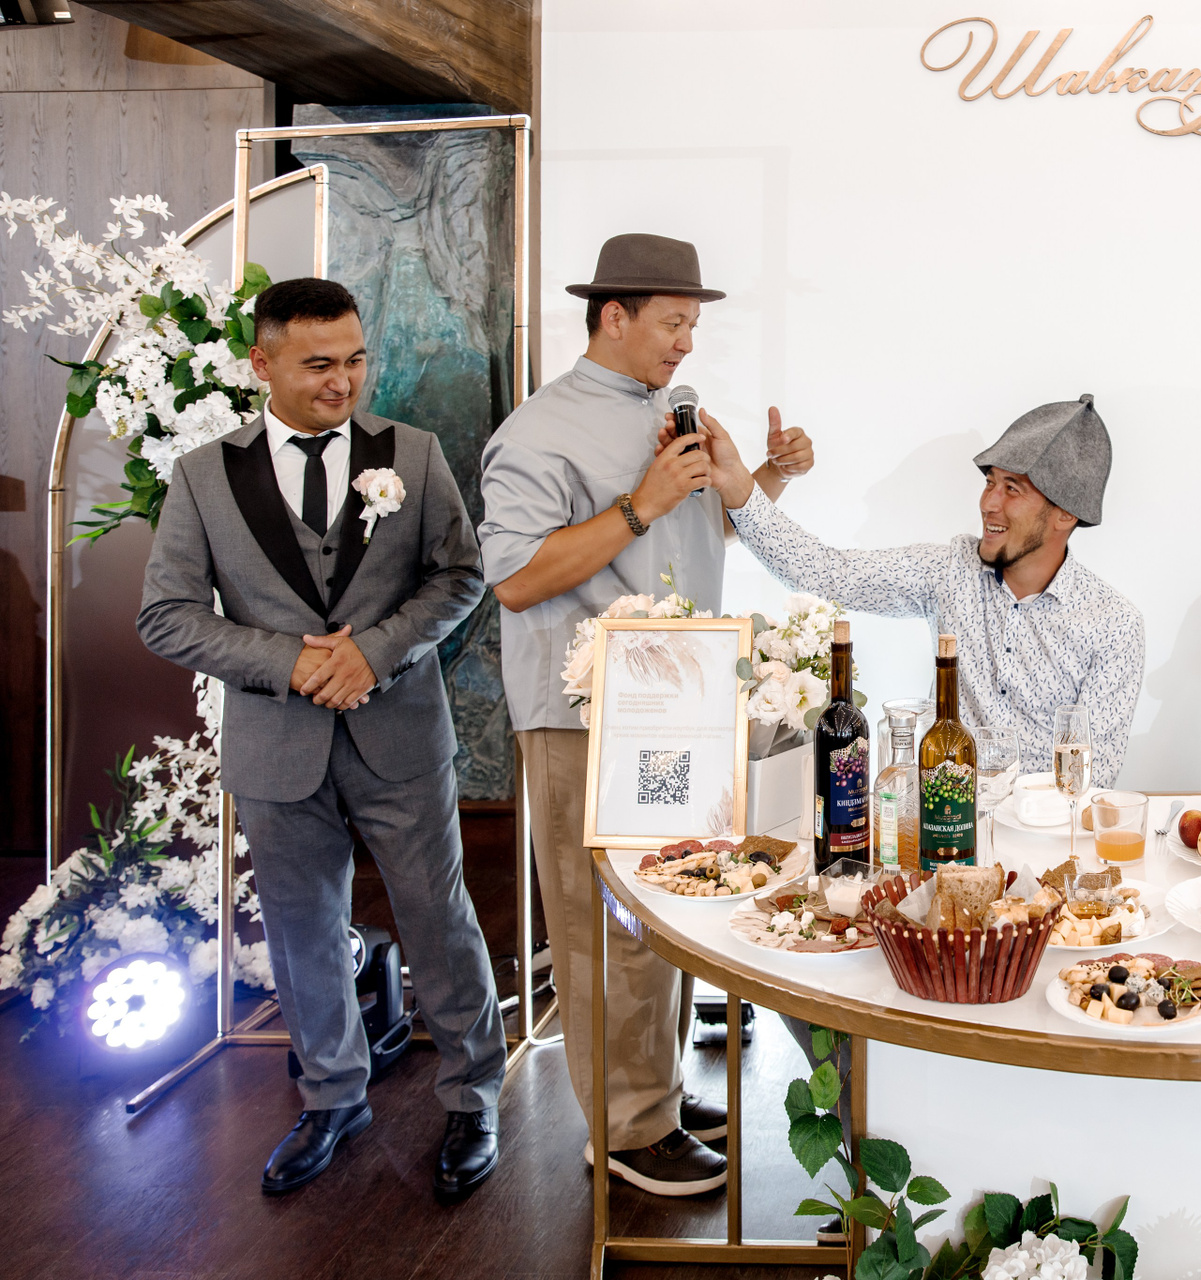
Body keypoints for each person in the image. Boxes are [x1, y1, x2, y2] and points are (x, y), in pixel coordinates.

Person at [136, 278, 506, 1200]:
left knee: (438, 918)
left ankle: (472, 1097)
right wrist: (287, 661)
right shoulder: (203, 475)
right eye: (318, 365)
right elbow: (167, 614)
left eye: (354, 360)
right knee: (302, 930)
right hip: (276, 744)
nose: (343, 381)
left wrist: (373, 653)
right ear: (261, 364)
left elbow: (461, 576)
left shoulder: (413, 455)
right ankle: (332, 1097)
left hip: (400, 734)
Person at [477, 233, 813, 1196]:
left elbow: (688, 537)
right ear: (613, 317)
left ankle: (654, 1093)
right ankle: (625, 1130)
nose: (686, 344)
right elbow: (515, 578)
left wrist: (769, 479)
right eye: (673, 323)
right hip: (583, 716)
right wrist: (638, 504)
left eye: (693, 325)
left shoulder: (673, 415)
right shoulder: (536, 433)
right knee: (601, 922)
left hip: (681, 706)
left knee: (665, 905)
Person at [696, 393, 1145, 786]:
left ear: (1065, 514)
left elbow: (1093, 778)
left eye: (1013, 489)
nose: (989, 502)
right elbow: (825, 573)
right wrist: (738, 486)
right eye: (990, 482)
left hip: (1044, 837)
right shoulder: (951, 571)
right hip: (941, 826)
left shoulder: (1113, 625)